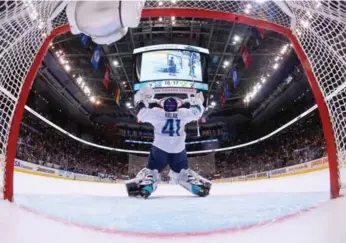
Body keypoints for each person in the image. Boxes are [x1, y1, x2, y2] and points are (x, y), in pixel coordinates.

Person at [125, 86, 212, 198]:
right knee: (182, 173)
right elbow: (198, 112)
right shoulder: (183, 114)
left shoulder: (157, 113)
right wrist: (197, 102)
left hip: (160, 149)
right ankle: (197, 188)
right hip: (178, 149)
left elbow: (140, 112)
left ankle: (147, 187)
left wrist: (142, 99)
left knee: (153, 171)